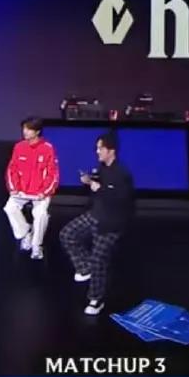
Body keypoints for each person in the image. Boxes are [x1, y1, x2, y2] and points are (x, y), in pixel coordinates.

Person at [59, 133, 136, 315]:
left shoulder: (122, 174)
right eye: (97, 148)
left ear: (111, 151)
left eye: (100, 148)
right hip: (95, 215)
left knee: (98, 260)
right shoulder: (101, 168)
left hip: (112, 223)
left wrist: (100, 188)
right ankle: (84, 267)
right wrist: (89, 182)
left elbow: (122, 200)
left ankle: (96, 299)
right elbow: (97, 190)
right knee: (67, 234)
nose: (97, 151)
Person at [2, 117, 59, 261]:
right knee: (9, 208)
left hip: (40, 192)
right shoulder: (19, 147)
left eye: (29, 129)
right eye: (24, 128)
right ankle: (25, 233)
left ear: (37, 131)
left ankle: (36, 245)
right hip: (21, 191)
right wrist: (14, 188)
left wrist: (44, 192)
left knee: (41, 214)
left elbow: (53, 174)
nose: (25, 132)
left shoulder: (47, 148)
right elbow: (12, 169)